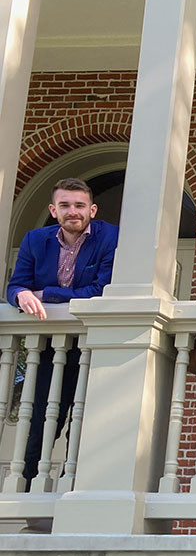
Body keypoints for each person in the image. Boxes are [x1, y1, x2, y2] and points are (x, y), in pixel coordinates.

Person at [6, 177, 118, 496]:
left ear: (92, 209)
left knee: (82, 423)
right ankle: (26, 492)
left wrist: (45, 293)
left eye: (80, 205)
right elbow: (15, 285)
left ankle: (75, 493)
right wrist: (22, 295)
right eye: (65, 205)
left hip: (92, 346)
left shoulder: (109, 237)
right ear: (54, 210)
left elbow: (100, 289)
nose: (73, 212)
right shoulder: (34, 239)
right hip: (48, 346)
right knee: (42, 419)